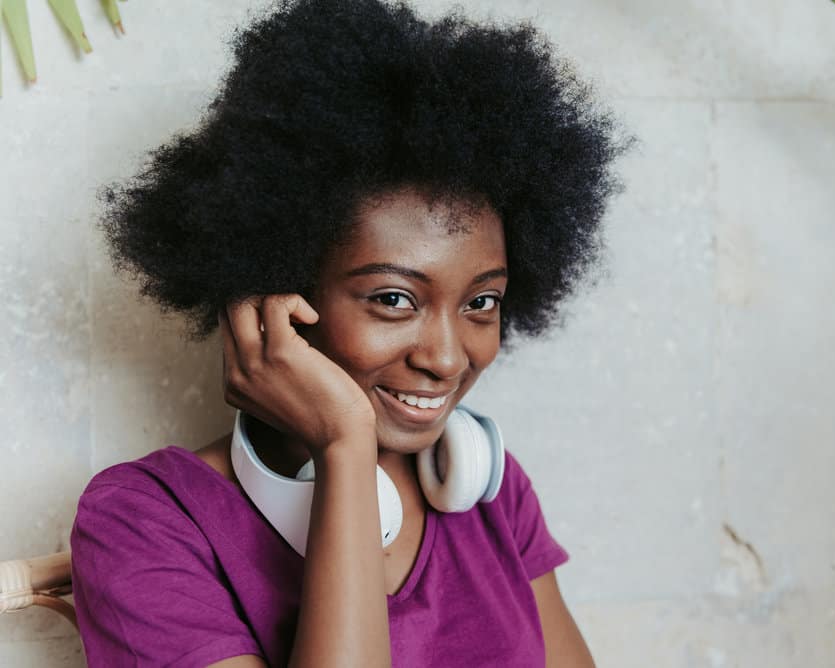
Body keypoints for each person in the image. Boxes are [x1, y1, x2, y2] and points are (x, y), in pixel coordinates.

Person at [69, 0, 629, 665]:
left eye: (482, 302)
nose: (448, 358)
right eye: (394, 298)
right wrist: (343, 447)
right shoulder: (145, 520)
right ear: (275, 291)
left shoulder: (487, 490)